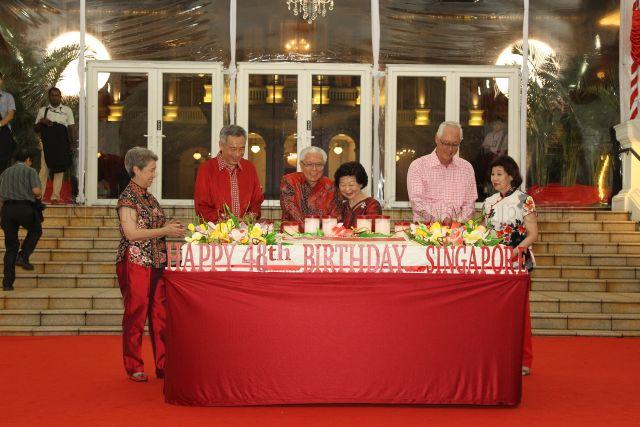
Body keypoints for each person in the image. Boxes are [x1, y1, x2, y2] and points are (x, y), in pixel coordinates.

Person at [116, 147, 184, 382]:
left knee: (160, 315)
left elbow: (153, 226)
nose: (154, 174)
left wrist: (169, 228)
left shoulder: (148, 197)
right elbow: (131, 233)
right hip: (136, 262)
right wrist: (165, 230)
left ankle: (164, 364)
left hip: (157, 261)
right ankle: (133, 364)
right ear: (136, 169)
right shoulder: (127, 198)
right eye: (151, 170)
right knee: (135, 314)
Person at [482, 155, 538, 377]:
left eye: (499, 174)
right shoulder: (488, 202)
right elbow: (484, 233)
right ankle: (496, 355)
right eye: (493, 174)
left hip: (517, 261)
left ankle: (524, 360)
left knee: (520, 312)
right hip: (493, 262)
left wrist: (515, 252)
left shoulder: (525, 200)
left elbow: (533, 234)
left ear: (511, 176)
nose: (494, 178)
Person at [407, 121, 477, 223]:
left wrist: (456, 224)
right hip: (425, 233)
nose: (450, 149)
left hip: (459, 233)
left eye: (455, 144)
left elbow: (469, 205)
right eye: (446, 143)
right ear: (437, 139)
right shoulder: (418, 166)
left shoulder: (467, 168)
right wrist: (442, 220)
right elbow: (417, 203)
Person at [194, 125, 264, 222]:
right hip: (215, 233)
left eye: (242, 149)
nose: (237, 154)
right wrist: (229, 221)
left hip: (245, 232)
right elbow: (201, 207)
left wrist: (248, 218)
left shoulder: (249, 168)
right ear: (221, 145)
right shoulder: (206, 169)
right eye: (233, 149)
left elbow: (256, 202)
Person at [0, 146, 43, 291]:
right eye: (31, 161)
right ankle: (23, 255)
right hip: (24, 208)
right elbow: (36, 191)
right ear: (28, 160)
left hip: (7, 210)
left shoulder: (5, 173)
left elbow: (0, 197)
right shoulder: (30, 171)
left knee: (10, 247)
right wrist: (38, 197)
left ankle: (7, 283)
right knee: (36, 230)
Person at [34, 87, 76, 204]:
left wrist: (72, 144)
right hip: (47, 144)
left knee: (60, 169)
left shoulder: (67, 110)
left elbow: (71, 127)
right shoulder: (43, 110)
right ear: (49, 97)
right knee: (44, 169)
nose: (54, 97)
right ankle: (39, 197)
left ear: (60, 96)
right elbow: (35, 129)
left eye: (57, 95)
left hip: (62, 143)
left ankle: (55, 197)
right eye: (52, 95)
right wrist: (42, 121)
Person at [280, 146, 338, 222]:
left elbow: (335, 216)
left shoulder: (330, 185)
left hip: (324, 232)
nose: (314, 169)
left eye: (318, 165)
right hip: (293, 231)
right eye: (309, 164)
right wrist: (311, 229)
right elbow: (291, 211)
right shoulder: (290, 181)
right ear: (301, 165)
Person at [334, 161, 381, 228]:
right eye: (343, 185)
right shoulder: (343, 206)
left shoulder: (372, 205)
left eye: (351, 184)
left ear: (361, 183)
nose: (347, 189)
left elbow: (370, 233)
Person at [0, 72, 17, 175]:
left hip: (4, 132)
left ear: (1, 80)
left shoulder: (8, 97)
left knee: (3, 162)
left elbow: (10, 115)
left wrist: (0, 125)